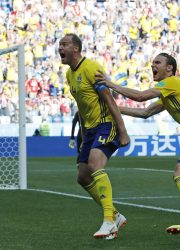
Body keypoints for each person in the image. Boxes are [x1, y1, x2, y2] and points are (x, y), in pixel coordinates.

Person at [95, 53, 180, 239]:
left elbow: (140, 97)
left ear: (169, 68)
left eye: (157, 62)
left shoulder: (171, 82)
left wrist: (111, 84)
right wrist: (113, 109)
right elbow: (145, 112)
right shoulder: (169, 92)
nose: (152, 65)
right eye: (152, 62)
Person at [58, 33, 130, 240]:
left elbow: (109, 99)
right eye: (59, 44)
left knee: (95, 164)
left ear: (76, 49)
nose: (60, 48)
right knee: (83, 176)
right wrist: (82, 134)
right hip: (89, 130)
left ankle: (109, 220)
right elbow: (81, 107)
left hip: (106, 124)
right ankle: (115, 215)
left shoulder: (92, 68)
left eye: (64, 44)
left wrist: (122, 130)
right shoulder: (70, 75)